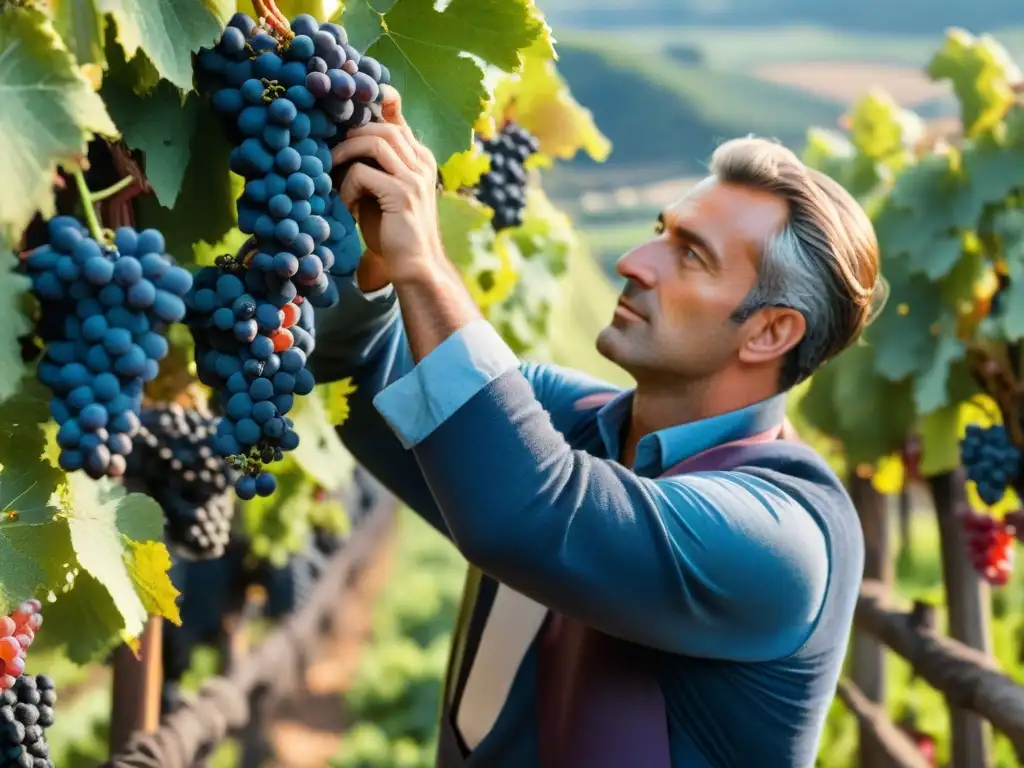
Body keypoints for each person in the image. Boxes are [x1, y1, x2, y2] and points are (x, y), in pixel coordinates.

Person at [308, 85, 884, 768]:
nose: (635, 262)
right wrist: (378, 264)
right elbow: (369, 371)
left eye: (691, 254)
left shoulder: (782, 544)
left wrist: (427, 267)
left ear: (769, 331)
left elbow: (533, 513)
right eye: (659, 231)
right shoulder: (571, 421)